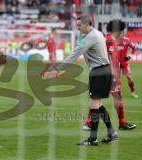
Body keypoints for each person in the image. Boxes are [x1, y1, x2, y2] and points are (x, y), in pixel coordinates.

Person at [45, 15, 118, 146]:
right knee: (98, 104)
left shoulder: (90, 37)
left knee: (94, 105)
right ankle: (111, 132)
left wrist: (58, 70)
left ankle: (93, 139)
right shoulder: (96, 33)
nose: (77, 27)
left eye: (79, 25)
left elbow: (74, 54)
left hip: (99, 72)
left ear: (87, 24)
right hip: (103, 70)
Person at [83, 20, 137, 131]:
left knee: (96, 98)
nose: (122, 33)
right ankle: (121, 124)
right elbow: (108, 57)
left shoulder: (105, 38)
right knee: (114, 98)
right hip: (109, 74)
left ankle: (89, 123)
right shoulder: (109, 40)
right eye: (121, 31)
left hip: (103, 72)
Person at [117, 31, 138, 98]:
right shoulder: (114, 40)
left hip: (124, 62)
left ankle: (133, 92)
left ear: (122, 33)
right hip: (116, 62)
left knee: (129, 77)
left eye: (120, 33)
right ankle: (119, 92)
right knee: (117, 79)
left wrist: (129, 57)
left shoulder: (126, 40)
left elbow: (134, 48)